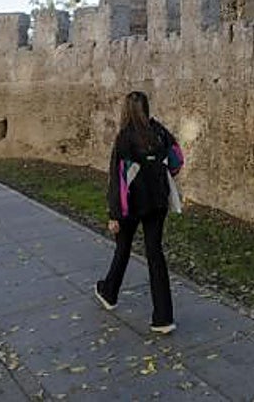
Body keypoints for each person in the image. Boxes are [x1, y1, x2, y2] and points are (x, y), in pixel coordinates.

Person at [94, 90, 183, 333]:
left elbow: (117, 177)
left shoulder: (125, 138)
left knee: (123, 248)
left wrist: (114, 213)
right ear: (147, 107)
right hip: (157, 202)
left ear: (126, 110)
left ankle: (109, 293)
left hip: (132, 204)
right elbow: (177, 159)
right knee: (155, 254)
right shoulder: (160, 132)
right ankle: (163, 318)